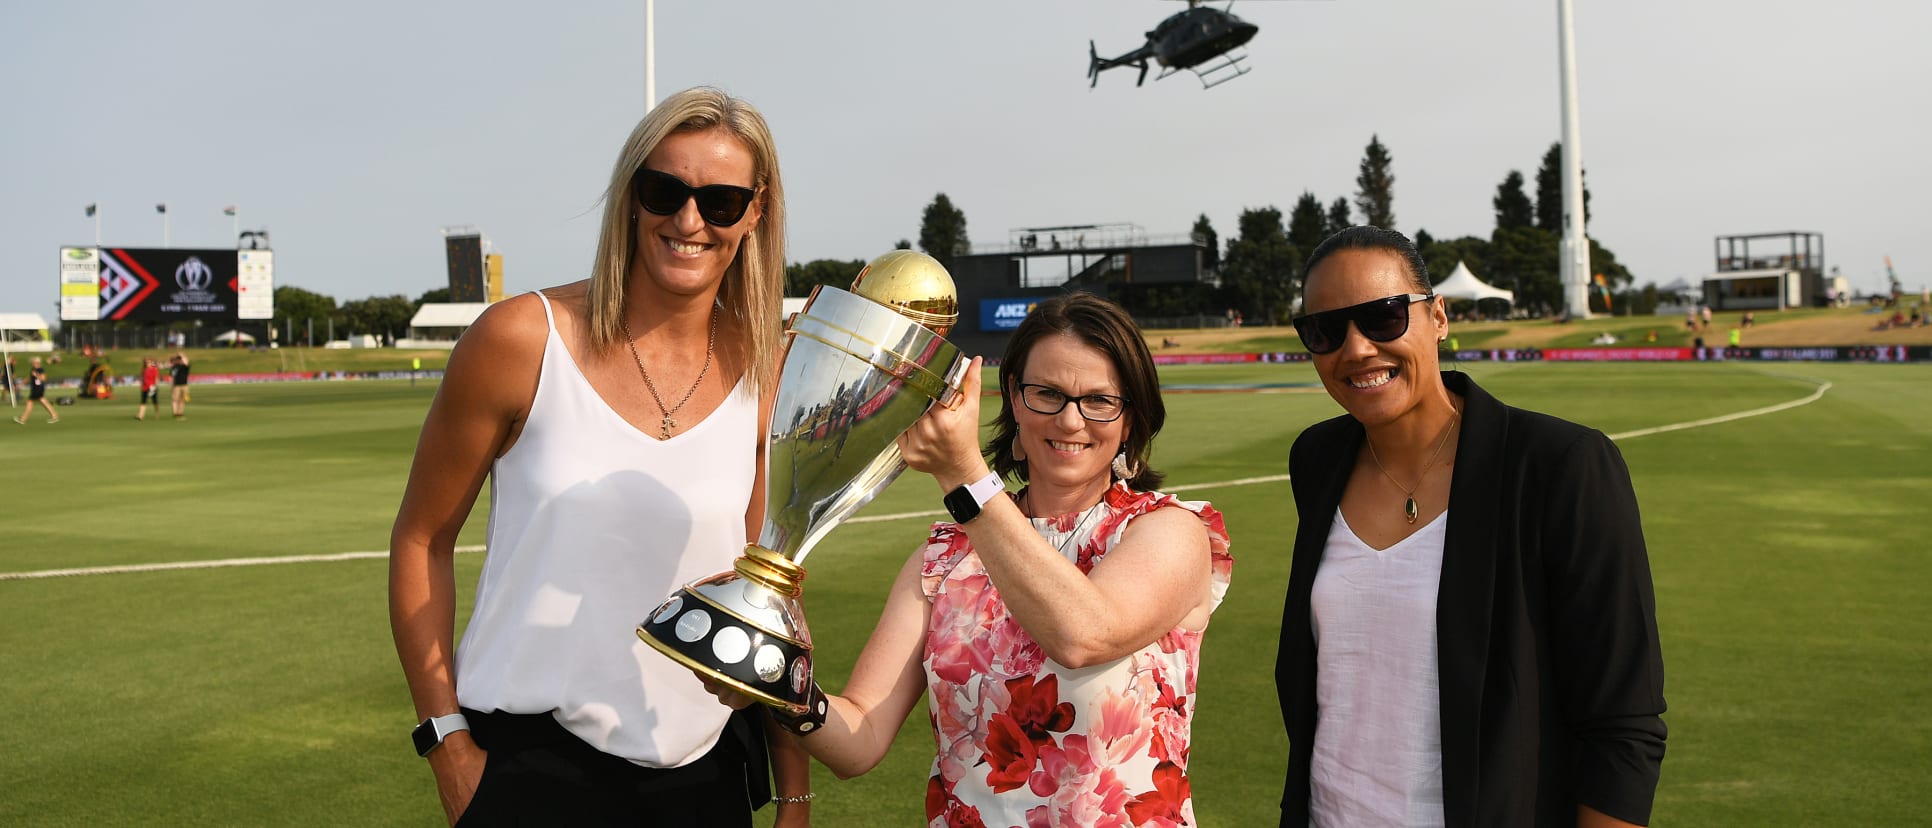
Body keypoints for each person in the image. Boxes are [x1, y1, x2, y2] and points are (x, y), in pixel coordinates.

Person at [387, 87, 808, 826]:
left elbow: (770, 592)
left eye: (719, 200)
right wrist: (446, 741)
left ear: (756, 210)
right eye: (664, 190)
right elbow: (422, 538)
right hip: (528, 773)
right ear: (630, 198)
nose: (688, 220)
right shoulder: (521, 339)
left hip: (704, 780)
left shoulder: (768, 370)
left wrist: (794, 795)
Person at [724, 294, 1232, 825]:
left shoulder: (1172, 532)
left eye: (1100, 400)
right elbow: (861, 741)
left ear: (1131, 419)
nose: (1070, 419)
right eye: (1047, 393)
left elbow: (1083, 634)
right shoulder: (944, 559)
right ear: (1013, 397)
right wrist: (777, 682)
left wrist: (964, 476)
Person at [1276, 227, 1665, 827]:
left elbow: (1623, 723)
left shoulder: (1560, 466)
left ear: (1438, 317)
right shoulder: (1318, 459)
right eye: (1324, 330)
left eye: (1381, 317)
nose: (1354, 349)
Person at [14, 356, 59, 424]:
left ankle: (23, 419)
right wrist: (21, 384)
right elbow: (29, 378)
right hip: (35, 388)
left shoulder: (40, 370)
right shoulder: (33, 369)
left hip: (38, 388)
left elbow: (43, 379)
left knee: (30, 402)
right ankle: (54, 416)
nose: (32, 363)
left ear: (37, 363)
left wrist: (37, 375)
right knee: (43, 402)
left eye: (33, 362)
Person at [169, 353, 191, 419]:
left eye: (180, 359)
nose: (179, 360)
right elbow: (171, 377)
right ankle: (175, 413)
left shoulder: (185, 366)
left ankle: (180, 413)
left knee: (183, 400)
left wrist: (182, 355)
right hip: (176, 385)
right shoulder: (174, 367)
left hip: (184, 385)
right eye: (178, 359)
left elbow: (187, 362)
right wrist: (171, 384)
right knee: (175, 400)